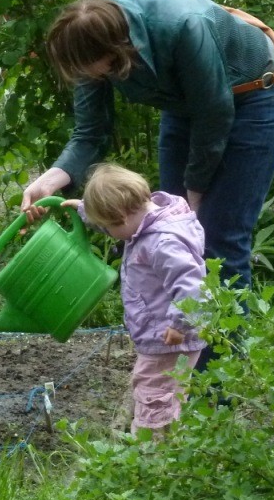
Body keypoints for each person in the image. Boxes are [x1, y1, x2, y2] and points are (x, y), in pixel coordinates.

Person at [22, 0, 274, 295]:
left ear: (114, 52)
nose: (83, 76)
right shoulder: (89, 49)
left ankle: (223, 343)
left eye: (87, 69)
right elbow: (91, 132)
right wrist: (50, 181)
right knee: (162, 233)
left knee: (218, 238)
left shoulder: (184, 26)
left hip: (253, 98)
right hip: (186, 106)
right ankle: (171, 340)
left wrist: (194, 194)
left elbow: (213, 114)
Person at [63, 163, 206, 435]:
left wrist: (180, 325)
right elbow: (118, 227)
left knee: (154, 393)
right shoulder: (143, 223)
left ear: (121, 216)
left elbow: (193, 286)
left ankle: (151, 452)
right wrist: (83, 210)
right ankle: (169, 442)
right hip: (162, 334)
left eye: (106, 224)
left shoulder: (163, 242)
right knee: (167, 391)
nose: (106, 230)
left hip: (170, 338)